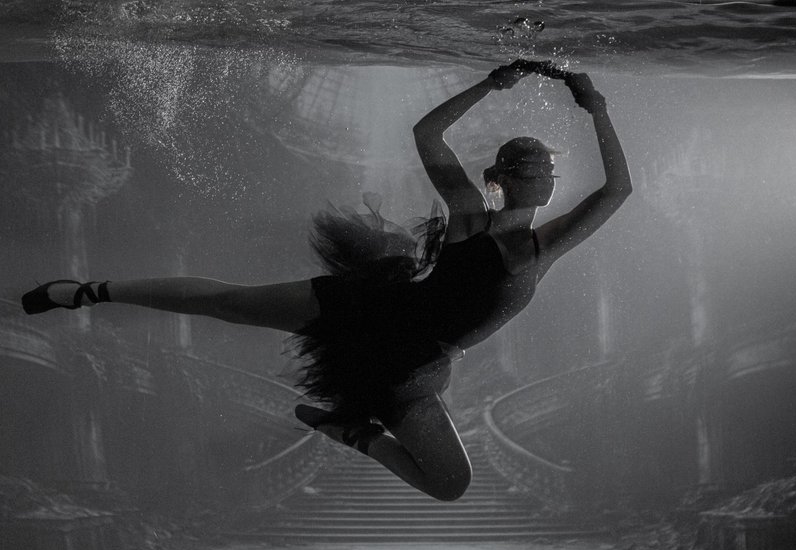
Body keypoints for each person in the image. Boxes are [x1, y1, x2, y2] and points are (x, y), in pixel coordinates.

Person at [22, 60, 631, 502]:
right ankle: (87, 291)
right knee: (228, 303)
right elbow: (427, 134)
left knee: (451, 484)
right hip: (370, 313)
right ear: (507, 176)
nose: (545, 175)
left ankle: (351, 434)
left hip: (413, 368)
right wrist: (493, 85)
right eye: (534, 166)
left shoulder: (545, 245)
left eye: (548, 168)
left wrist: (594, 107)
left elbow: (617, 190)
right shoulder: (471, 215)